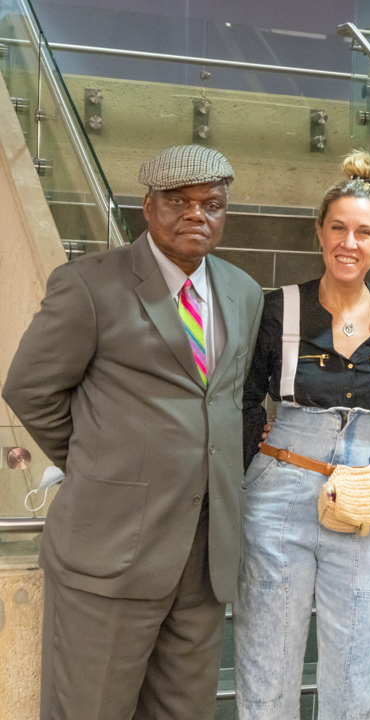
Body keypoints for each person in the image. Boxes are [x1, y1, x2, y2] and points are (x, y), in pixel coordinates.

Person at [3, 145, 263, 719]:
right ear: (148, 206)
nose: (197, 215)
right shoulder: (89, 285)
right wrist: (101, 464)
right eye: (179, 202)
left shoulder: (243, 292)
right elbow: (29, 390)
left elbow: (228, 401)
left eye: (212, 205)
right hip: (110, 553)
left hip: (202, 558)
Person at [234, 150, 370, 719]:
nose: (349, 242)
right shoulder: (277, 308)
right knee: (266, 658)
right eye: (337, 227)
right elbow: (244, 399)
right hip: (279, 494)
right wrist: (244, 471)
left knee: (360, 671)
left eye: (364, 232)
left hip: (362, 501)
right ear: (319, 232)